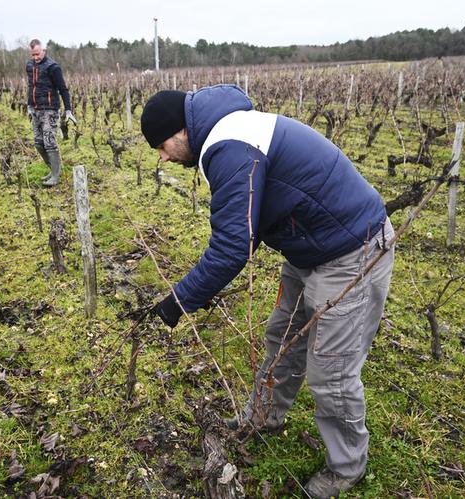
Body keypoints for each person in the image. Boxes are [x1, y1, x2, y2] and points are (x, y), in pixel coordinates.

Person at [140, 84, 395, 499]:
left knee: (331, 369)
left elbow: (232, 246)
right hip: (309, 245)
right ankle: (262, 418)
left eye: (162, 146)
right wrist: (203, 289)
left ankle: (347, 467)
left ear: (180, 131)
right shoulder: (228, 135)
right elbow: (249, 220)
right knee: (282, 336)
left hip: (354, 248)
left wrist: (178, 301)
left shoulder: (230, 144)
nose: (163, 158)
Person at [26, 38, 76, 187]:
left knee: (49, 143)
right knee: (38, 143)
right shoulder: (29, 66)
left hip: (50, 110)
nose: (36, 57)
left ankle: (56, 175)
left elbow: (63, 89)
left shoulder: (53, 67)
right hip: (35, 109)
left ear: (44, 50)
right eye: (33, 55)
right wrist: (29, 105)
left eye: (38, 54)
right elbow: (30, 87)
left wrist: (68, 110)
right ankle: (52, 170)